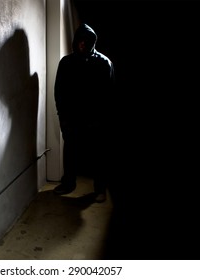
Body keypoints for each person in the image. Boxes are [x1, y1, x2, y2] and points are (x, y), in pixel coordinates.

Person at [53, 23, 114, 203]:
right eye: (79, 41)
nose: (82, 45)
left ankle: (99, 189)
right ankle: (68, 183)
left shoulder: (104, 63)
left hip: (96, 119)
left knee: (99, 154)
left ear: (92, 42)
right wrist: (63, 116)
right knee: (70, 150)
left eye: (86, 41)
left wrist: (104, 119)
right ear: (75, 41)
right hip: (72, 118)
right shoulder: (66, 62)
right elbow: (59, 91)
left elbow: (110, 94)